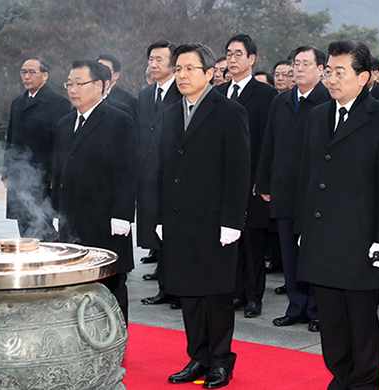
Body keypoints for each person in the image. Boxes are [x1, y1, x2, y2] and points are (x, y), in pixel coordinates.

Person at [296, 40, 379, 390]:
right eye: (328, 71)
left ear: (364, 78)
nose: (331, 79)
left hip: (360, 241)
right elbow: (308, 176)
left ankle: (363, 383)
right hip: (321, 237)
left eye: (339, 72)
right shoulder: (317, 116)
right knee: (330, 322)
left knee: (360, 323)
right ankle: (341, 377)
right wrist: (303, 228)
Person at [157, 43, 250, 389]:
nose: (181, 75)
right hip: (180, 218)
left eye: (189, 69)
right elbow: (164, 168)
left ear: (210, 73)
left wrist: (232, 220)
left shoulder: (229, 111)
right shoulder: (169, 113)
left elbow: (239, 170)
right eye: (177, 68)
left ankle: (221, 360)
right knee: (189, 292)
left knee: (215, 293)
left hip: (215, 221)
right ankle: (198, 355)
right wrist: (160, 216)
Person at [51, 60, 138, 324]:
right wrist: (56, 210)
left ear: (100, 86)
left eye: (80, 83)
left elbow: (127, 171)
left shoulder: (119, 120)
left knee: (110, 284)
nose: (73, 89)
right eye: (69, 84)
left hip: (106, 221)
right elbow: (58, 172)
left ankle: (115, 339)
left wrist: (123, 215)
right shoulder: (65, 124)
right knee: (76, 285)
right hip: (71, 220)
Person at [256, 45, 331, 332]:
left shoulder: (327, 101)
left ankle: (316, 310)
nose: (297, 69)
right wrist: (264, 181)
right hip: (285, 189)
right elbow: (269, 145)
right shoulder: (282, 101)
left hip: (315, 193)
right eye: (295, 64)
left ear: (320, 69)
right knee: (289, 252)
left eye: (304, 64)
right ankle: (296, 305)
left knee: (313, 252)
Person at [217, 34, 278, 318]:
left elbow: (269, 141)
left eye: (238, 54)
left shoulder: (266, 95)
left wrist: (262, 178)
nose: (232, 59)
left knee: (253, 243)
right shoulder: (219, 93)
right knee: (231, 242)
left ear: (252, 59)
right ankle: (236, 292)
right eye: (229, 53)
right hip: (224, 181)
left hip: (252, 180)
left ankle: (254, 296)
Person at [2, 56, 72, 241]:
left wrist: (56, 175)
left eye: (32, 72)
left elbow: (62, 143)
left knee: (45, 223)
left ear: (45, 75)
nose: (26, 77)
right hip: (19, 174)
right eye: (23, 72)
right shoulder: (17, 103)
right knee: (23, 220)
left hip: (44, 176)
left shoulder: (59, 104)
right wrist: (6, 172)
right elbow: (11, 139)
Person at [137, 40, 183, 308]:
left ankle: (179, 290)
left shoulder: (182, 92)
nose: (153, 65)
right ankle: (164, 287)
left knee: (175, 236)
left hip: (173, 176)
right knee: (157, 236)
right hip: (149, 176)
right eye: (151, 59)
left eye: (159, 60)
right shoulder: (145, 94)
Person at [98, 53, 138, 118]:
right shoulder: (86, 97)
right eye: (97, 68)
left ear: (116, 75)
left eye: (105, 69)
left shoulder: (128, 101)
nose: (99, 72)